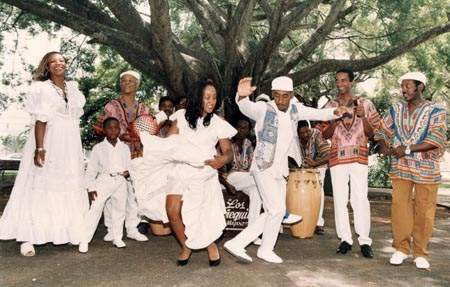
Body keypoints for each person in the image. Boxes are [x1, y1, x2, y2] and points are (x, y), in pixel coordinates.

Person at [224, 76, 345, 264]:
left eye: (285, 96)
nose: (280, 100)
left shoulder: (296, 110)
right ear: (273, 95)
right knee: (277, 209)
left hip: (279, 170)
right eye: (277, 96)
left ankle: (265, 249)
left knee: (277, 212)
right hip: (262, 167)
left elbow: (318, 114)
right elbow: (246, 107)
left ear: (291, 95)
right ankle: (237, 243)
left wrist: (336, 111)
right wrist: (241, 96)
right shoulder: (264, 109)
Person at [0, 51, 88, 256]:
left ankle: (67, 233)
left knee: (68, 185)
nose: (59, 64)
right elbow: (41, 120)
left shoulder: (73, 88)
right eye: (53, 62)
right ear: (47, 67)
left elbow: (73, 118)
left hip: (70, 146)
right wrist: (40, 148)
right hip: (50, 142)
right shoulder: (41, 88)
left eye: (62, 60)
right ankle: (28, 237)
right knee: (40, 186)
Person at [376, 72, 447, 269]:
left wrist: (407, 149)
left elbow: (437, 139)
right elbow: (382, 130)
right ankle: (401, 249)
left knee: (424, 210)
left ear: (420, 87)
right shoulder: (396, 109)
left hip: (426, 168)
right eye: (403, 86)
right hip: (401, 167)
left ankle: (420, 253)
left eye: (408, 85)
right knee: (400, 207)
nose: (404, 89)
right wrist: (383, 145)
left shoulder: (436, 110)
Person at [165, 79, 237, 267]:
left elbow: (229, 152)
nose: (212, 101)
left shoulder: (218, 122)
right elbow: (169, 143)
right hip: (179, 169)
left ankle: (210, 245)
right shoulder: (180, 116)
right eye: (207, 97)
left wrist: (222, 159)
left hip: (205, 171)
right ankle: (186, 245)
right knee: (172, 211)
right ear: (198, 98)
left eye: (214, 97)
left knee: (202, 215)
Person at [322, 68, 381, 258]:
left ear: (352, 82)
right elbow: (324, 134)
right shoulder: (330, 106)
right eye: (337, 80)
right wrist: (335, 118)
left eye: (344, 80)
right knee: (340, 199)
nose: (340, 84)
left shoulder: (365, 103)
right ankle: (345, 239)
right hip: (337, 156)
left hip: (359, 156)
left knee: (360, 198)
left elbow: (372, 133)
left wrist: (363, 116)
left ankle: (364, 240)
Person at [102, 70, 154, 242]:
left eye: (131, 81)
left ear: (137, 85)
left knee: (134, 190)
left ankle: (132, 227)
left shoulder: (144, 108)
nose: (126, 83)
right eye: (123, 81)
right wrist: (121, 135)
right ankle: (111, 227)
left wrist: (139, 138)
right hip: (116, 150)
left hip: (138, 152)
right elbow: (107, 128)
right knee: (112, 187)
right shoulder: (111, 106)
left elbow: (149, 130)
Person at [82, 117, 131, 252]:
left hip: (120, 181)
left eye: (116, 127)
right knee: (96, 209)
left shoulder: (124, 148)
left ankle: (117, 238)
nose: (113, 130)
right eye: (109, 127)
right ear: (104, 130)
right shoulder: (99, 148)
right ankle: (84, 239)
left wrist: (128, 172)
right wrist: (91, 188)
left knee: (119, 210)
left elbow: (129, 166)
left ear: (120, 129)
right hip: (104, 180)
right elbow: (91, 170)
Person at [220, 118, 263, 245]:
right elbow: (219, 167)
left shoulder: (248, 144)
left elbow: (250, 166)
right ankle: (282, 211)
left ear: (249, 131)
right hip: (230, 178)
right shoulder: (226, 142)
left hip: (247, 179)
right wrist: (225, 182)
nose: (241, 130)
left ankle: (251, 234)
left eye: (245, 128)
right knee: (260, 179)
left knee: (257, 193)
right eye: (239, 127)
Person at [297, 120, 331, 235]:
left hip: (319, 166)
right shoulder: (294, 138)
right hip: (302, 169)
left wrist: (315, 164)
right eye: (302, 133)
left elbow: (329, 155)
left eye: (307, 131)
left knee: (319, 191)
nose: (305, 135)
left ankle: (318, 223)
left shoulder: (316, 134)